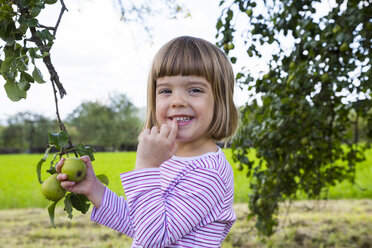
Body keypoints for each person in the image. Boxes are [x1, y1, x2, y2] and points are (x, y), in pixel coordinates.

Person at [57, 36, 239, 248]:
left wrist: (146, 166)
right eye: (165, 91)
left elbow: (153, 238)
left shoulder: (209, 172)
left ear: (220, 100)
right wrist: (94, 189)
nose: (177, 101)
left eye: (195, 90)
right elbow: (141, 225)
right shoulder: (168, 159)